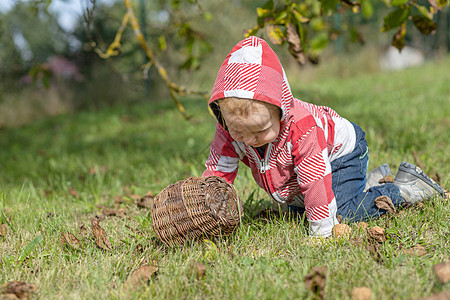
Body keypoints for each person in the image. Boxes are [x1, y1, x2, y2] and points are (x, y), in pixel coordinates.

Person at [202, 36, 445, 238]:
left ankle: (405, 188)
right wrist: (206, 209)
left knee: (342, 214)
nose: (250, 139)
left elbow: (314, 180)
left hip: (342, 154)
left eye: (261, 130)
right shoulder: (229, 128)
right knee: (299, 214)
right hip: (317, 166)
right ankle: (367, 183)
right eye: (240, 132)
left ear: (280, 110)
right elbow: (218, 173)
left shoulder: (302, 129)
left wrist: (321, 233)